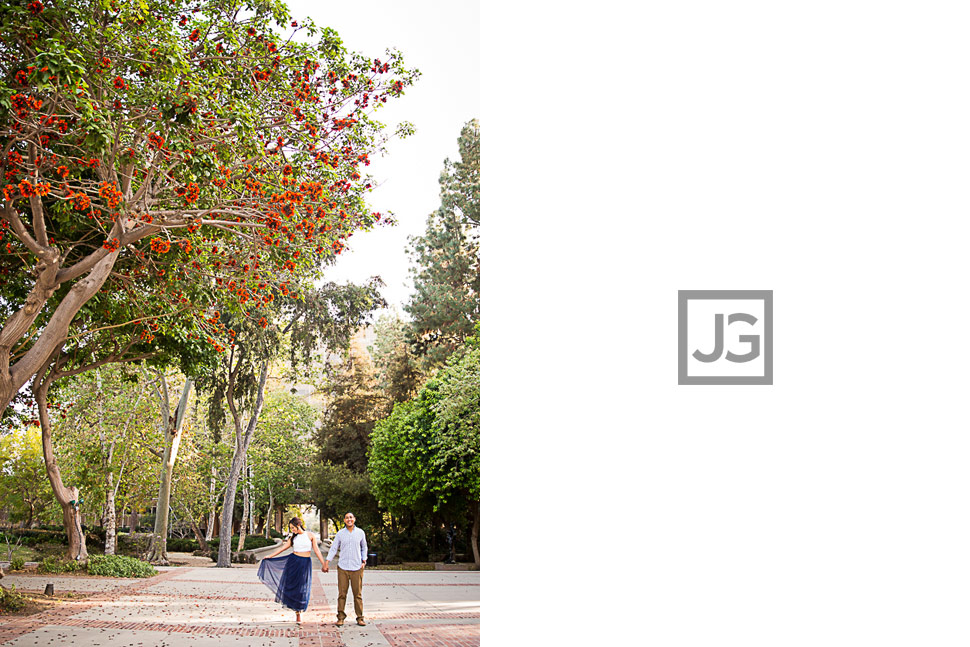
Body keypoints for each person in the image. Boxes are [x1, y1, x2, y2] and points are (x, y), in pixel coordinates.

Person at [257, 517, 327, 623]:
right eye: (290, 528)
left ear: (299, 525)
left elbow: (317, 550)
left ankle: (299, 609)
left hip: (305, 563)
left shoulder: (310, 535)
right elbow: (282, 548)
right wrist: (270, 556)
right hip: (293, 562)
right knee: (293, 586)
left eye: (293, 527)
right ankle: (297, 614)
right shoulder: (293, 538)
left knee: (302, 587)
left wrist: (324, 564)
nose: (292, 530)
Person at [323, 511, 368, 626]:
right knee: (342, 594)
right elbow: (333, 548)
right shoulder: (340, 534)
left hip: (357, 567)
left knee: (357, 594)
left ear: (354, 519)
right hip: (343, 567)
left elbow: (364, 547)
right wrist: (327, 562)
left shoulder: (360, 533)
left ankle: (360, 617)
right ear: (344, 520)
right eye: (347, 518)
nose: (349, 519)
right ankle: (341, 617)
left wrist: (364, 560)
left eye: (351, 517)